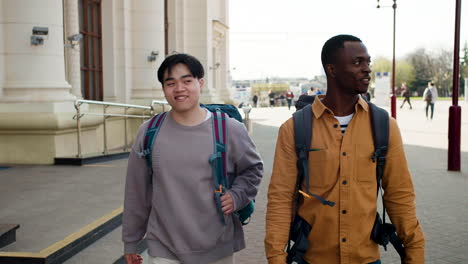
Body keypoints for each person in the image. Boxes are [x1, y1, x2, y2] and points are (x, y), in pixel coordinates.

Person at [265, 34, 425, 264]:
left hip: (367, 259)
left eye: (368, 62)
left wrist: (415, 255)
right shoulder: (295, 128)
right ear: (332, 69)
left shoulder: (383, 125)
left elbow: (400, 196)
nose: (367, 69)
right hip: (311, 259)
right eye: (358, 62)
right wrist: (276, 258)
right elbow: (281, 199)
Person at [123, 53, 264, 264]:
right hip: (164, 245)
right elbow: (136, 191)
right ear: (163, 89)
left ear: (200, 83)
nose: (179, 88)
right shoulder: (149, 131)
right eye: (171, 83)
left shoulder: (228, 128)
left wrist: (237, 196)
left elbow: (253, 169)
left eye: (187, 81)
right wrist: (131, 242)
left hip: (216, 244)